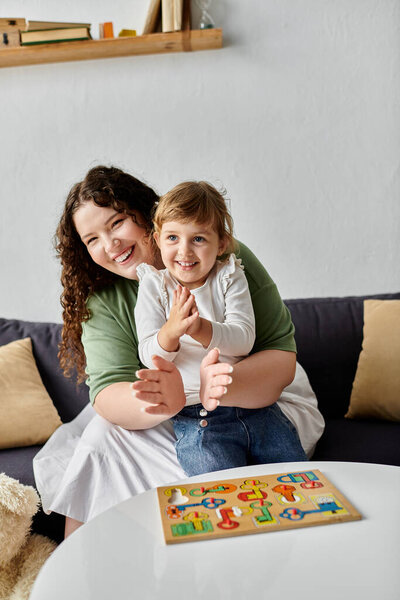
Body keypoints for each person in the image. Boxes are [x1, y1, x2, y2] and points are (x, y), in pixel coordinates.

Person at [33, 165, 324, 538]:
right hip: (169, 407)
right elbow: (107, 393)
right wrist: (169, 402)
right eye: (92, 240)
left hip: (255, 393)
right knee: (99, 442)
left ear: (147, 216)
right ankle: (82, 577)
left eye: (117, 223)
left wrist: (214, 385)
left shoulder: (223, 260)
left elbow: (280, 356)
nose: (110, 245)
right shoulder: (105, 299)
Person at [135, 181, 307, 476]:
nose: (184, 251)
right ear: (158, 240)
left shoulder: (229, 276)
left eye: (198, 238)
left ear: (222, 243)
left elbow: (243, 340)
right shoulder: (155, 286)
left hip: (256, 409)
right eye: (173, 237)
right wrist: (172, 331)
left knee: (296, 480)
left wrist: (200, 328)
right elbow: (150, 356)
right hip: (197, 418)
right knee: (218, 489)